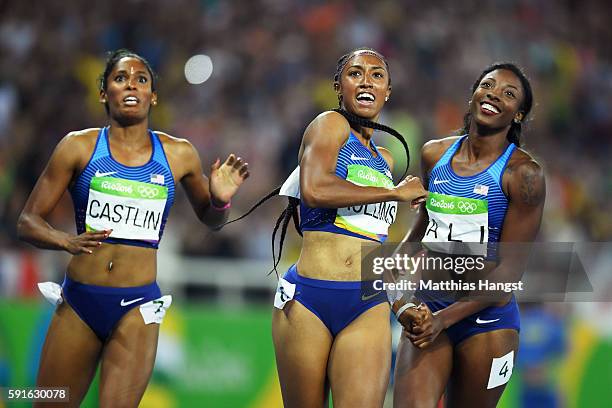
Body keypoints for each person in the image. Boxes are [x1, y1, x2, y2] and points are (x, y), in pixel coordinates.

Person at [17, 49, 249, 407]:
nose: (131, 86)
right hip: (79, 302)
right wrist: (65, 240)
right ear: (103, 92)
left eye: (141, 80)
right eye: (120, 78)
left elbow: (212, 221)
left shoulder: (179, 154)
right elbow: (27, 222)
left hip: (137, 308)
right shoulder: (77, 147)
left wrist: (219, 200)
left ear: (152, 95)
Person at [228, 47, 428, 407]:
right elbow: (315, 189)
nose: (367, 80)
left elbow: (373, 244)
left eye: (377, 75)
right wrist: (393, 191)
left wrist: (400, 301)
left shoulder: (386, 159)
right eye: (356, 73)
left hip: (367, 301)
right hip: (309, 299)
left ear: (388, 91)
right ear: (339, 86)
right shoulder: (329, 125)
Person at [392, 63, 545, 408]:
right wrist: (397, 282)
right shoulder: (434, 155)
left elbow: (509, 273)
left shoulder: (524, 175)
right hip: (428, 308)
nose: (494, 94)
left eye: (509, 93)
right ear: (474, 92)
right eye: (488, 85)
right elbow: (421, 232)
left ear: (518, 115)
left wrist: (443, 320)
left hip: (488, 324)